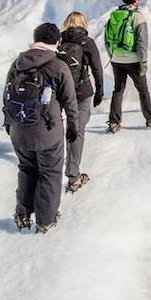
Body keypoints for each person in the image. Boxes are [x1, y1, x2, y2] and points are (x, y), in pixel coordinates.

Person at [3, 22, 79, 233]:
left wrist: (9, 122)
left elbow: (7, 95)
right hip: (47, 132)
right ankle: (45, 220)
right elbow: (70, 101)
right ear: (56, 41)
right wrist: (73, 127)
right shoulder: (58, 66)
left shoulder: (18, 63)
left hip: (19, 130)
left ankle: (22, 214)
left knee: (26, 169)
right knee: (50, 173)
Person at [104, 0, 151, 134]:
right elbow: (142, 41)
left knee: (118, 89)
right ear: (135, 0)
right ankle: (150, 117)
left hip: (116, 59)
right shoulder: (137, 16)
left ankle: (114, 122)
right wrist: (144, 61)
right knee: (142, 89)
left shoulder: (115, 15)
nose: (141, 0)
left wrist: (112, 54)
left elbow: (107, 37)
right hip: (133, 60)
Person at [59, 12, 103, 193]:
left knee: (56, 128)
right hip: (82, 91)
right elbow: (97, 68)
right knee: (77, 129)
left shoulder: (58, 42)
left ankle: (50, 169)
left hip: (61, 92)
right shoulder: (87, 42)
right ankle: (73, 175)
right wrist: (100, 90)